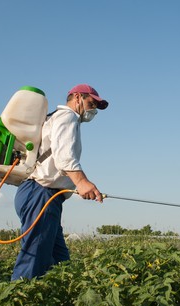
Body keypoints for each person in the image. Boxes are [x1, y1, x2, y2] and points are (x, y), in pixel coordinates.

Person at [11, 84, 109, 281]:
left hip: (45, 196)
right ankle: (17, 302)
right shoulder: (68, 116)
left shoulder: (56, 118)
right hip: (41, 193)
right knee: (34, 260)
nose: (93, 110)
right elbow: (64, 156)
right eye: (91, 103)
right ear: (77, 97)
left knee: (61, 263)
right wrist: (82, 182)